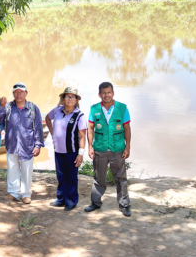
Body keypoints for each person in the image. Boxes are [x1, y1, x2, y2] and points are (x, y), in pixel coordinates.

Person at [85, 82, 132, 217]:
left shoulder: (122, 108)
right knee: (99, 178)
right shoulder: (94, 109)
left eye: (109, 92)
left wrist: (127, 146)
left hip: (117, 149)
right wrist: (90, 147)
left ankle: (124, 205)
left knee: (121, 178)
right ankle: (95, 202)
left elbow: (127, 128)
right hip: (100, 148)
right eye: (104, 93)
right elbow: (90, 129)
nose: (107, 95)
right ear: (100, 94)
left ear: (113, 93)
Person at [0, 82, 43, 204]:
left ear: (26, 93)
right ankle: (13, 193)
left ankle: (26, 194)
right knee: (12, 170)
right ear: (13, 94)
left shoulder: (32, 108)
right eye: (16, 92)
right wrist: (1, 107)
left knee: (26, 171)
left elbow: (38, 127)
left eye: (21, 91)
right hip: (12, 145)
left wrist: (38, 145)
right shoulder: (8, 107)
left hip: (28, 145)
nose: (18, 94)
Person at [45, 87, 87, 211]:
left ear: (76, 100)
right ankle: (60, 199)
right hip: (58, 151)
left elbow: (82, 136)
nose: (70, 99)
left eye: (73, 96)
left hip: (72, 152)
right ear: (63, 98)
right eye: (67, 96)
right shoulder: (57, 110)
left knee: (71, 177)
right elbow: (47, 118)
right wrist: (52, 133)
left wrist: (80, 154)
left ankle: (71, 201)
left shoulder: (79, 116)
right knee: (61, 176)